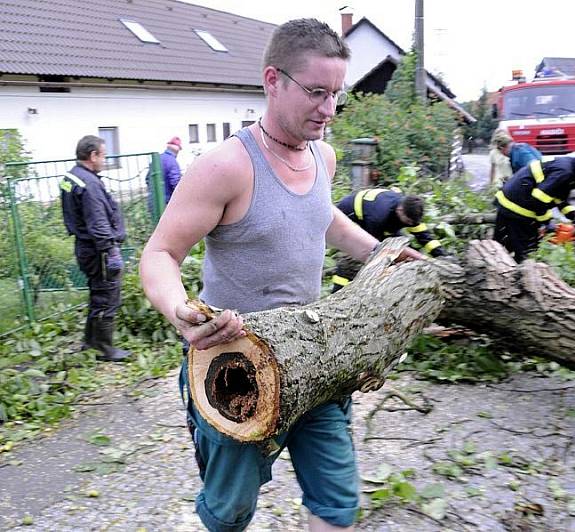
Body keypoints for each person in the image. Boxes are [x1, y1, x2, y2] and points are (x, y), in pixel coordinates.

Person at [139, 18, 421, 532]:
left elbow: (322, 218)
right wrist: (180, 312)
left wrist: (383, 253)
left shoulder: (323, 155)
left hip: (316, 357)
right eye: (316, 92)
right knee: (229, 514)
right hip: (235, 369)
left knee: (337, 503)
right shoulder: (227, 166)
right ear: (273, 80)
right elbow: (159, 253)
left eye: (336, 94)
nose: (329, 109)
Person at [60, 135, 130, 362]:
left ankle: (90, 343)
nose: (105, 159)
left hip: (85, 247)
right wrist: (111, 252)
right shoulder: (89, 184)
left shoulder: (73, 176)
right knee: (107, 296)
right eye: (103, 155)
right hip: (98, 251)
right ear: (93, 156)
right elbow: (98, 222)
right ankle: (104, 349)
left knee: (97, 294)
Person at [493, 143, 575, 262]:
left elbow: (559, 198)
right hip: (517, 206)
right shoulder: (566, 172)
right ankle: (518, 274)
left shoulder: (572, 168)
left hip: (510, 201)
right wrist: (548, 223)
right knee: (527, 252)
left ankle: (502, 267)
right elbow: (539, 198)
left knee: (500, 246)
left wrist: (574, 218)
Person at [332, 188, 447, 291]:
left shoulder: (408, 211)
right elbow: (374, 246)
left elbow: (425, 237)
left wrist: (441, 256)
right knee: (354, 258)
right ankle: (338, 289)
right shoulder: (378, 217)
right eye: (407, 222)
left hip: (377, 218)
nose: (410, 225)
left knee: (403, 246)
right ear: (400, 210)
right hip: (351, 216)